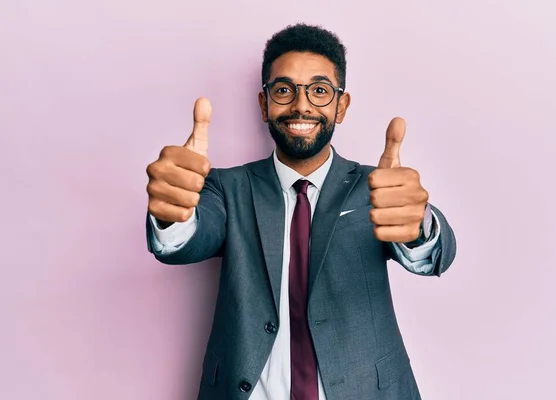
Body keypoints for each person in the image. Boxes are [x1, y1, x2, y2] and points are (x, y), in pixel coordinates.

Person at [145, 23, 456, 400]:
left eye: (320, 91)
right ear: (264, 104)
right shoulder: (226, 188)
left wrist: (420, 227)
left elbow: (436, 255)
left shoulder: (380, 187)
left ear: (341, 106)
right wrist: (172, 213)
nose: (302, 105)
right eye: (283, 90)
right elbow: (189, 237)